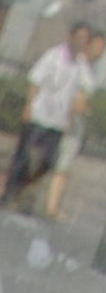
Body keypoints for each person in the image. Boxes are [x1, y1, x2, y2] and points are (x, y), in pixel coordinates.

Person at [7, 19, 103, 214]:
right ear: (71, 37)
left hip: (58, 122)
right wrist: (28, 107)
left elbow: (87, 87)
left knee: (47, 162)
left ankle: (23, 190)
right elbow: (35, 81)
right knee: (24, 157)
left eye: (85, 39)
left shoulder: (80, 64)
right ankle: (10, 194)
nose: (81, 42)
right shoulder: (54, 56)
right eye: (79, 37)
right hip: (39, 115)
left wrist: (77, 109)